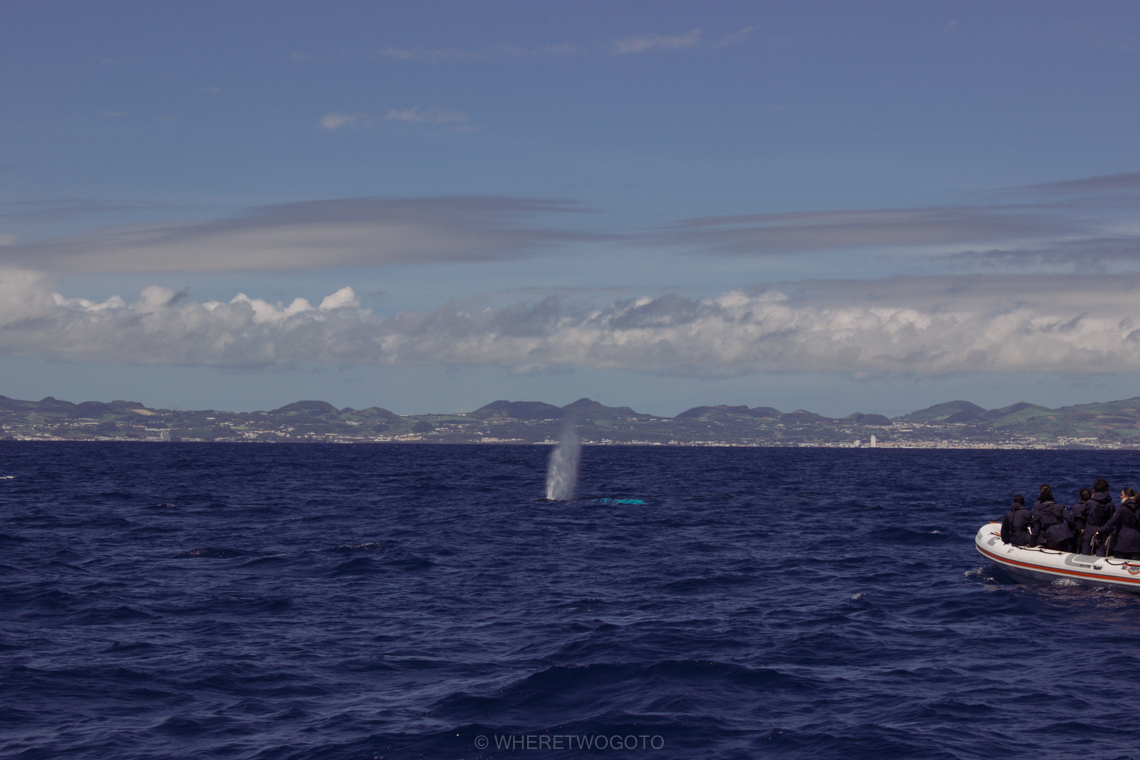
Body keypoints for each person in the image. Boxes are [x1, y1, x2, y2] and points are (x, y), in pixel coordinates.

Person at [1094, 488, 1140, 560]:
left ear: (1127, 496)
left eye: (1122, 495)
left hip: (1122, 543)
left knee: (1119, 563)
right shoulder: (1138, 508)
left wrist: (1100, 530)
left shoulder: (1122, 509)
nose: (1120, 497)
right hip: (1137, 543)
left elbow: (1111, 523)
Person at [1031, 484, 1075, 552]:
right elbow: (1069, 519)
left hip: (1051, 535)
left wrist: (1032, 544)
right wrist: (1077, 530)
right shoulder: (1059, 506)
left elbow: (1036, 530)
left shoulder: (1039, 511)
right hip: (1066, 533)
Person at [1084, 478, 1115, 556]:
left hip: (1090, 530)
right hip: (1104, 529)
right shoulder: (1110, 503)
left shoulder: (1090, 503)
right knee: (1101, 551)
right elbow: (1111, 518)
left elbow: (1083, 513)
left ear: (1094, 490)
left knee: (1086, 553)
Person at [1069, 487, 1093, 554]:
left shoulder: (1076, 507)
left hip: (1078, 532)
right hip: (1089, 530)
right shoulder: (1093, 506)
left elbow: (1071, 520)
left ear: (1080, 497)